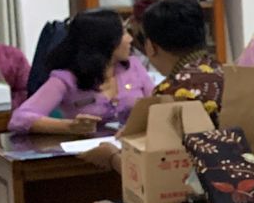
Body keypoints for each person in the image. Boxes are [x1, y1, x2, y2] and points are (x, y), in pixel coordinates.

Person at [81, 0, 224, 171]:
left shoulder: (172, 92)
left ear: (151, 46)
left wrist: (112, 157)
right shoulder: (222, 71)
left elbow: (158, 169)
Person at [8, 9, 153, 134]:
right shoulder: (66, 79)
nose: (130, 39)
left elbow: (156, 103)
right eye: (123, 33)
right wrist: (69, 127)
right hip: (89, 152)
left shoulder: (134, 66)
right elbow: (20, 118)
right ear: (104, 41)